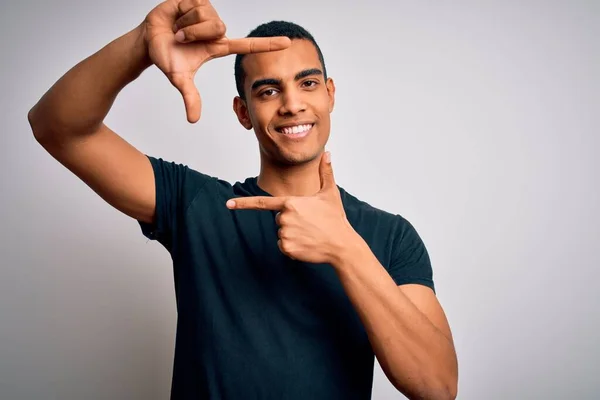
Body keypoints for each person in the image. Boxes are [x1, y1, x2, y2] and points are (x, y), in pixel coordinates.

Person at [28, 0, 458, 398]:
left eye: (306, 83)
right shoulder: (197, 205)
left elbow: (437, 387)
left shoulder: (391, 236)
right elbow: (58, 127)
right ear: (243, 112)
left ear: (329, 94)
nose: (292, 104)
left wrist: (345, 249)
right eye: (268, 91)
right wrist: (141, 43)